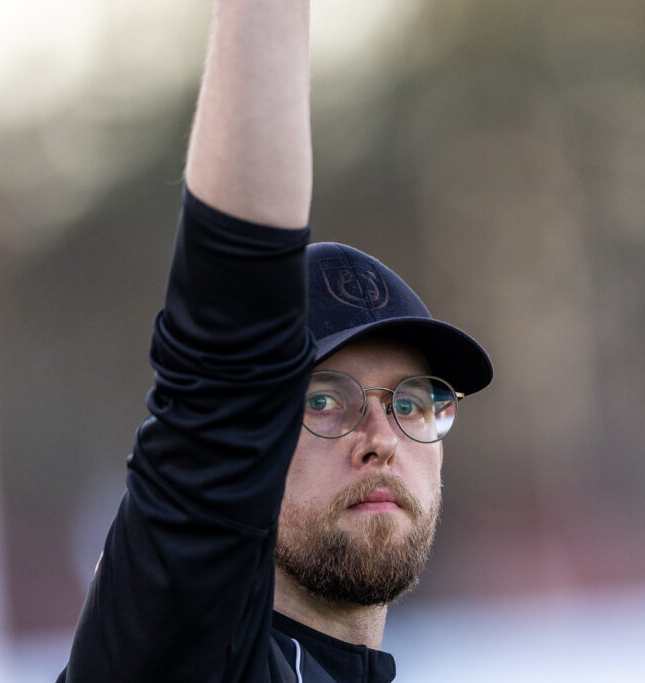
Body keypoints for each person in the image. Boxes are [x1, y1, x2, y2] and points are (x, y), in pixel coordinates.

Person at [56, 1, 492, 681]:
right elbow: (225, 357)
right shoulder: (178, 653)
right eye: (323, 400)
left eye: (410, 403)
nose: (380, 438)